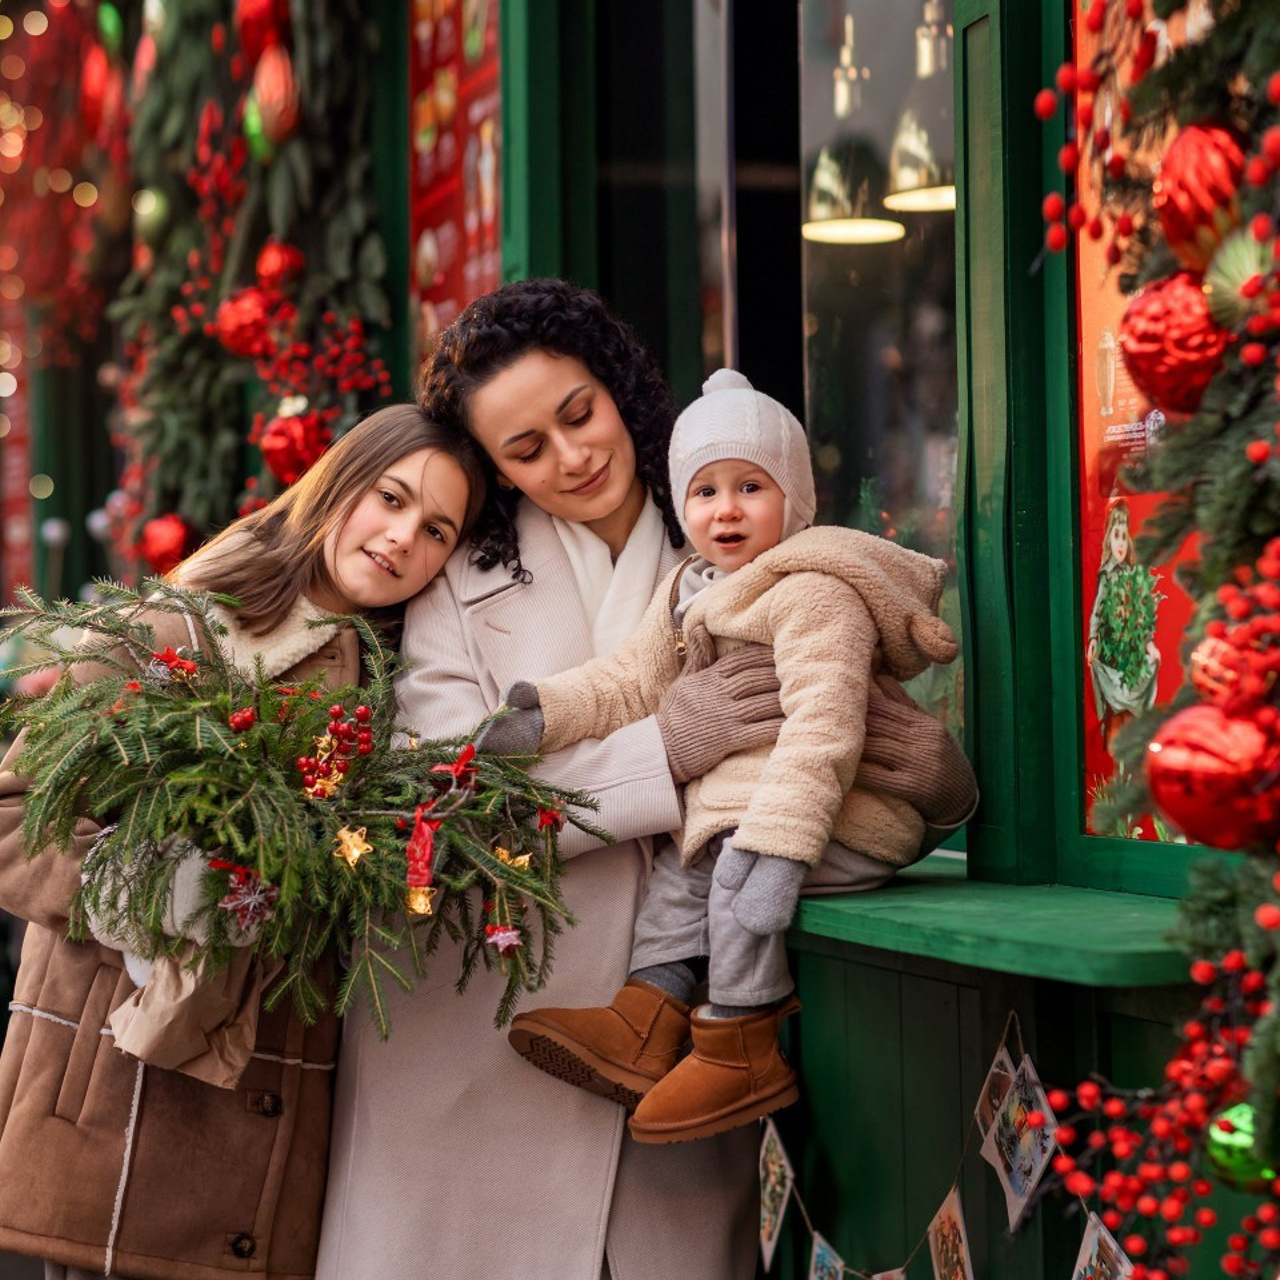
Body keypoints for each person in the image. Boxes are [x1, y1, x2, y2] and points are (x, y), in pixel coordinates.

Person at [319, 280, 973, 1280]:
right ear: (491, 470)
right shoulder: (449, 577)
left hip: (672, 1067)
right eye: (525, 449)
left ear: (618, 387)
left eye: (577, 414)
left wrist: (935, 783)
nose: (572, 457)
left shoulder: (740, 526)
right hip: (473, 1053)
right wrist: (659, 753)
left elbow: (832, 720)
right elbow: (435, 807)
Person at [0, 404, 485, 1280]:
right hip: (118, 1119)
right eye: (390, 497)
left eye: (438, 528)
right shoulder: (181, 632)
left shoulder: (399, 692)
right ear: (338, 486)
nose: (403, 536)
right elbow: (11, 814)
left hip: (271, 1143)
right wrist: (138, 890)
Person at [480, 368, 972, 1144]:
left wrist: (781, 845)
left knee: (732, 874)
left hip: (841, 817)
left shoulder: (813, 591)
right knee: (682, 867)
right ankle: (646, 1018)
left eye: (751, 486)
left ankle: (741, 1038)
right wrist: (544, 716)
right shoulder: (690, 590)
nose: (727, 509)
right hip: (749, 807)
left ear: (794, 499)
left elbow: (825, 726)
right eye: (705, 492)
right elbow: (627, 682)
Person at [1085, 497, 1161, 754]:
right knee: (1117, 710)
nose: (1120, 542)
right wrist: (1093, 638)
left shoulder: (1132, 575)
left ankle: (1134, 762)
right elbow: (1097, 608)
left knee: (1133, 710)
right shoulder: (1107, 574)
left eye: (1124, 534)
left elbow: (1141, 613)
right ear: (1108, 538)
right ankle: (1119, 767)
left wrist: (1148, 642)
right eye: (1115, 535)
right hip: (1112, 653)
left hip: (1132, 652)